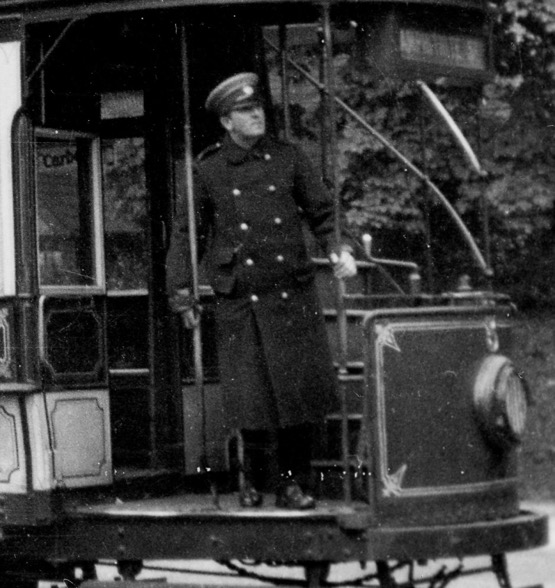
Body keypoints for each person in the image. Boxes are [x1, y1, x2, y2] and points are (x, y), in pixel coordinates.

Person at [166, 72, 357, 509]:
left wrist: (338, 248)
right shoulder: (209, 168)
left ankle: (292, 485)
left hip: (291, 293)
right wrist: (182, 293)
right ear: (227, 121)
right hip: (242, 300)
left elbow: (324, 212)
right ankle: (250, 480)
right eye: (246, 111)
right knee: (250, 400)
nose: (257, 116)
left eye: (259, 109)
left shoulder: (289, 158)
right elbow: (186, 233)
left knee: (297, 397)